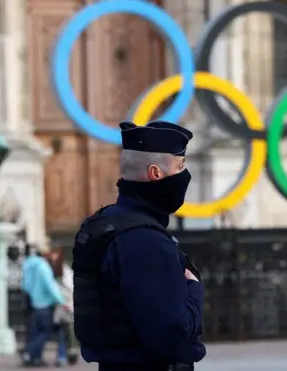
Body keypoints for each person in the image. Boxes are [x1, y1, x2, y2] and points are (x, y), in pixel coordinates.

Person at [72, 121, 205, 371]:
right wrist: (193, 288)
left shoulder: (104, 224)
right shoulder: (145, 240)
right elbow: (170, 334)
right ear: (156, 173)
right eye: (180, 167)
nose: (184, 175)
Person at [20, 244, 67, 367]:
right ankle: (29, 351)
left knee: (37, 331)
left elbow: (25, 285)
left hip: (34, 303)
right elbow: (50, 286)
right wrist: (60, 300)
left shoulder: (27, 265)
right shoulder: (42, 267)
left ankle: (34, 357)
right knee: (46, 331)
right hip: (46, 303)